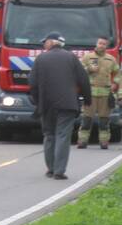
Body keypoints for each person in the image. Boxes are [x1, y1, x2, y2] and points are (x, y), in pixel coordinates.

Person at [28, 32, 91, 179]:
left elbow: (32, 84)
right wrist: (87, 99)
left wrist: (38, 101)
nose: (44, 44)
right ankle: (59, 171)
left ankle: (50, 168)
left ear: (51, 42)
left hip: (47, 105)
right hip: (67, 104)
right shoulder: (71, 57)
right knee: (63, 135)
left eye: (45, 42)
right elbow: (83, 79)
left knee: (49, 135)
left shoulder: (40, 59)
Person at [78, 35, 118, 150]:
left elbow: (118, 73)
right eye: (100, 43)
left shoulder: (111, 59)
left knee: (104, 120)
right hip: (90, 93)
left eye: (104, 44)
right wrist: (89, 69)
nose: (101, 45)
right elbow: (79, 73)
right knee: (86, 119)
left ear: (106, 46)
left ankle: (104, 142)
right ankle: (82, 141)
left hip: (105, 94)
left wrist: (115, 83)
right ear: (96, 44)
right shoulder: (88, 57)